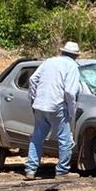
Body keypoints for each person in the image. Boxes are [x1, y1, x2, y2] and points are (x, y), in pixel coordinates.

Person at [24, 41, 83, 180]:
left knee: (37, 137)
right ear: (76, 56)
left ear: (62, 51)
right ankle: (62, 171)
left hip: (40, 105)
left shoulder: (49, 62)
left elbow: (33, 79)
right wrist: (71, 108)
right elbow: (70, 91)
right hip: (57, 106)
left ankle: (31, 170)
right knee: (65, 139)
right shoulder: (72, 66)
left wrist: (33, 98)